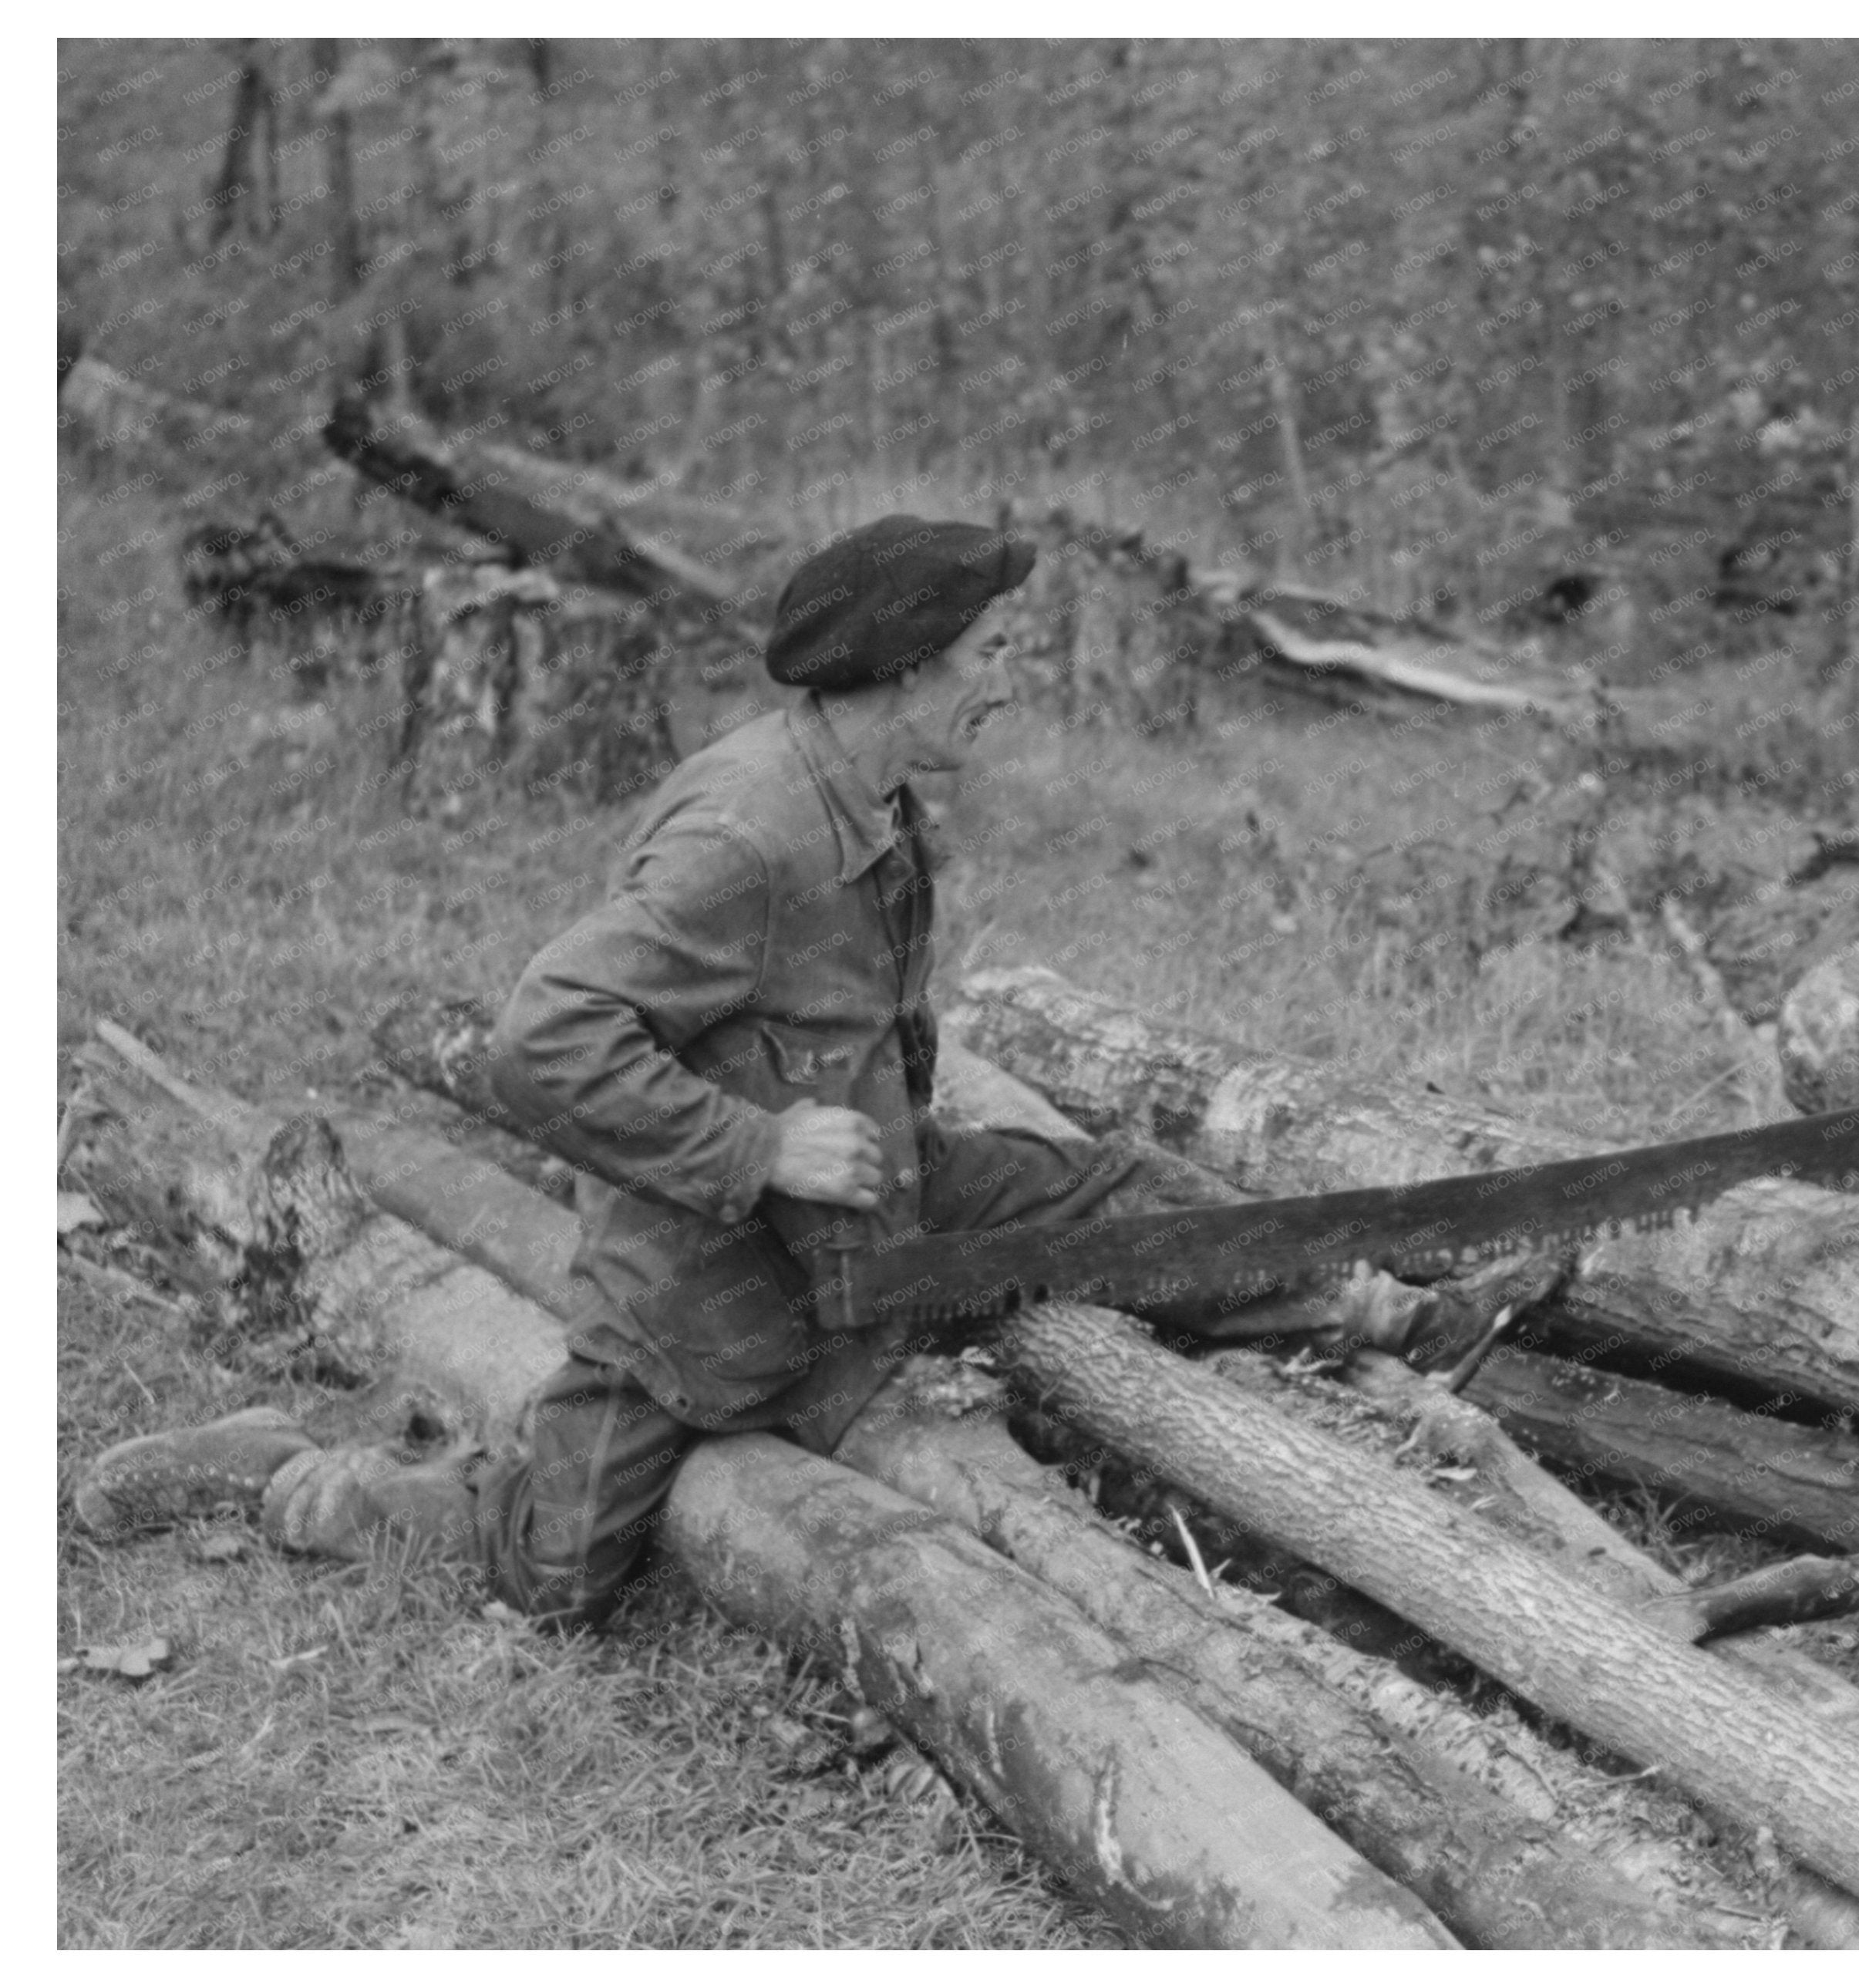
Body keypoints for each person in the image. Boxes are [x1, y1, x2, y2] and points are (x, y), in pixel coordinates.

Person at [80, 516, 1423, 1609]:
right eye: (994, 652)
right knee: (558, 1568)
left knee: (1089, 1190)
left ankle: (1347, 1290)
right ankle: (302, 1483)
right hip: (699, 1289)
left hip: (861, 1216)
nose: (1015, 680)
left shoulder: (879, 807)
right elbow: (542, 1042)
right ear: (904, 669)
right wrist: (761, 1148)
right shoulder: (748, 838)